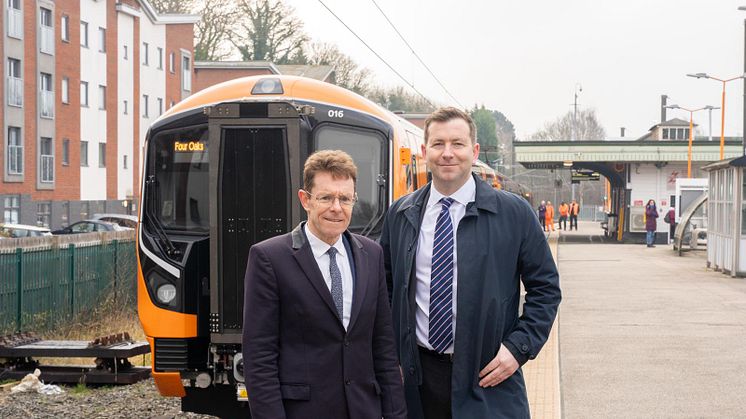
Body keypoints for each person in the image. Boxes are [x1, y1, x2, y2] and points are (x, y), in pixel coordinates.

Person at [379, 107, 561, 419]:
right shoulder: (401, 214)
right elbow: (386, 289)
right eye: (438, 144)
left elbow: (545, 289)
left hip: (488, 378)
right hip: (417, 382)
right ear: (425, 152)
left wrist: (518, 349)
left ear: (474, 151)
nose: (447, 153)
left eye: (457, 144)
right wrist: (390, 356)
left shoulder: (514, 214)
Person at [242, 150, 407, 419]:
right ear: (305, 200)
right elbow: (259, 358)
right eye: (326, 197)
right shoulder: (270, 258)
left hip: (364, 409)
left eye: (345, 198)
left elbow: (383, 346)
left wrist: (396, 414)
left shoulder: (371, 255)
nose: (336, 207)